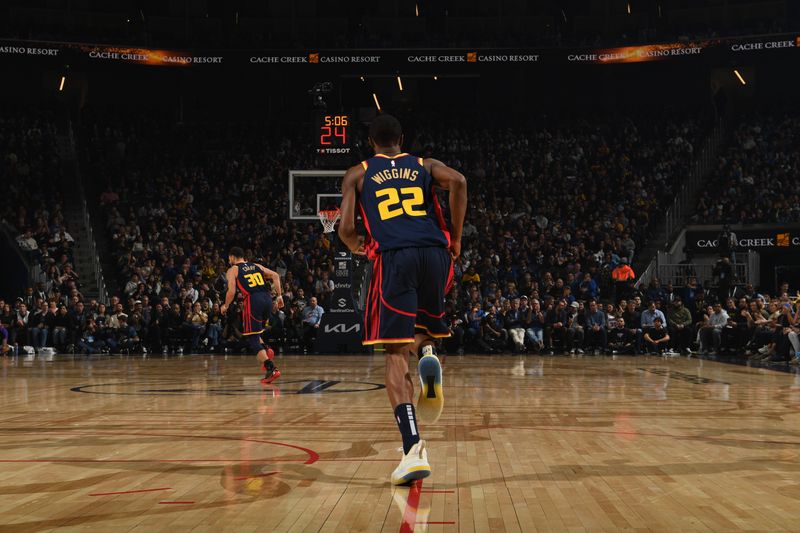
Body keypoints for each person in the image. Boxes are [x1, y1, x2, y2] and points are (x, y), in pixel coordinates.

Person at [338, 113, 466, 486]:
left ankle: (413, 449)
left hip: (394, 257)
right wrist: (455, 237)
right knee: (421, 330)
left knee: (394, 352)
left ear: (370, 143)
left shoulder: (358, 173)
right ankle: (427, 353)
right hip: (436, 256)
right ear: (402, 139)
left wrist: (355, 244)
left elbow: (346, 228)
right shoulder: (426, 164)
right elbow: (458, 182)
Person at [221, 247, 284, 383]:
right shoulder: (256, 265)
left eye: (229, 258)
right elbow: (276, 275)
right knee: (256, 332)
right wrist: (279, 296)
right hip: (267, 299)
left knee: (252, 339)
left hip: (253, 300)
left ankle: (271, 368)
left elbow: (231, 291)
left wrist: (225, 305)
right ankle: (267, 350)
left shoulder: (233, 270)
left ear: (232, 257)